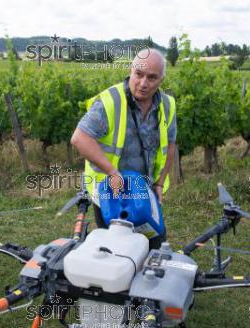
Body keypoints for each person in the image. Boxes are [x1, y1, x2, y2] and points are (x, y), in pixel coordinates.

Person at [70, 48, 177, 249]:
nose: (144, 83)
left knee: (153, 244)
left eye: (152, 78)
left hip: (146, 191)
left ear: (161, 79)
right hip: (111, 193)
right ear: (131, 70)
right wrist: (112, 172)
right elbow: (79, 138)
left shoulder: (167, 105)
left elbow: (170, 145)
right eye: (139, 74)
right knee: (116, 251)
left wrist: (160, 183)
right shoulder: (111, 101)